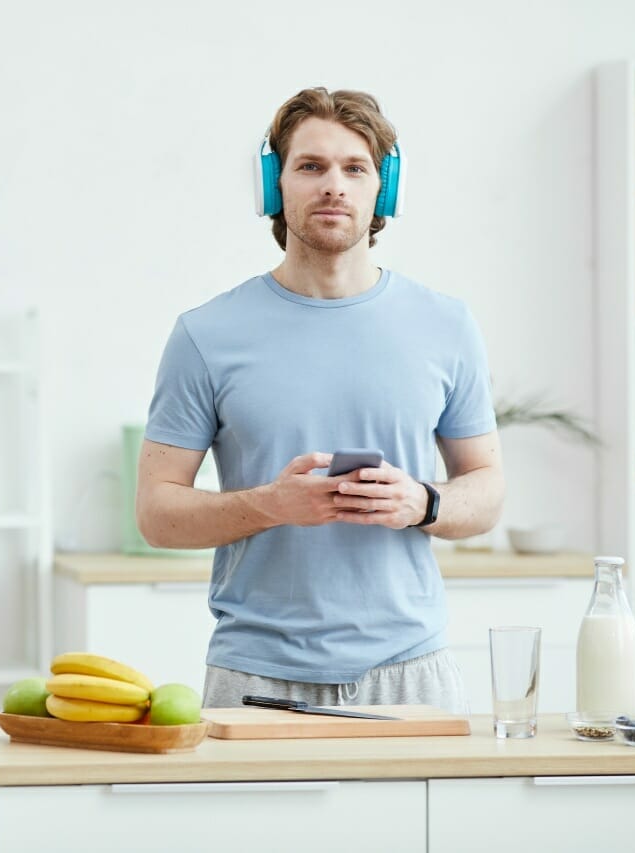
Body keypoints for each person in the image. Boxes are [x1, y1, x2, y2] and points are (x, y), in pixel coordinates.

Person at [135, 87, 505, 713]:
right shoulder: (205, 334)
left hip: (412, 674)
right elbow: (156, 512)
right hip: (255, 679)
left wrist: (423, 501)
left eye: (354, 168)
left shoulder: (447, 325)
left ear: (383, 189)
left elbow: (488, 488)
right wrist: (272, 504)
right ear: (273, 185)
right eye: (310, 166)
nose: (334, 185)